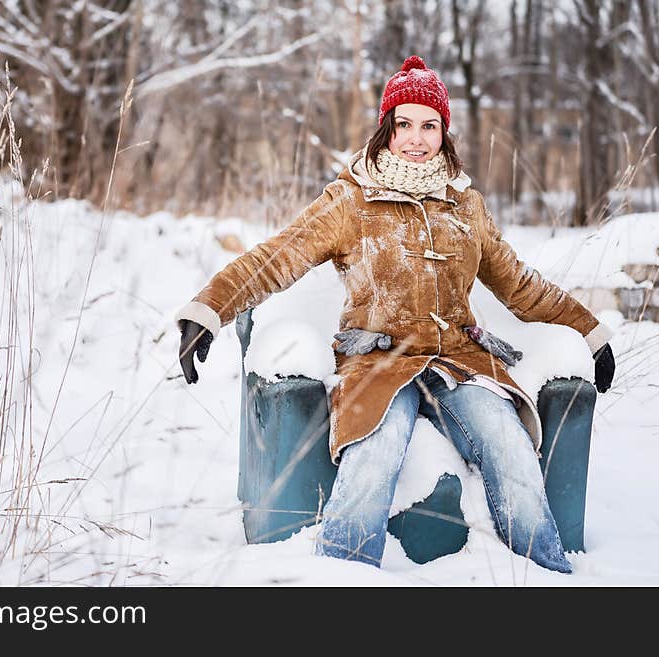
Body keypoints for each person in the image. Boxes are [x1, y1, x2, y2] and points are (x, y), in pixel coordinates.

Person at [174, 55, 616, 573]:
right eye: (404, 124)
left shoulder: (464, 205)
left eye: (429, 125)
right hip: (378, 364)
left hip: (459, 360)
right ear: (386, 128)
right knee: (374, 450)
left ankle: (544, 577)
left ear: (444, 133)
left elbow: (519, 285)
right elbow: (278, 257)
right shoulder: (351, 200)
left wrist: (590, 331)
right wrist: (209, 309)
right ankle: (342, 577)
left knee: (510, 443)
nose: (416, 137)